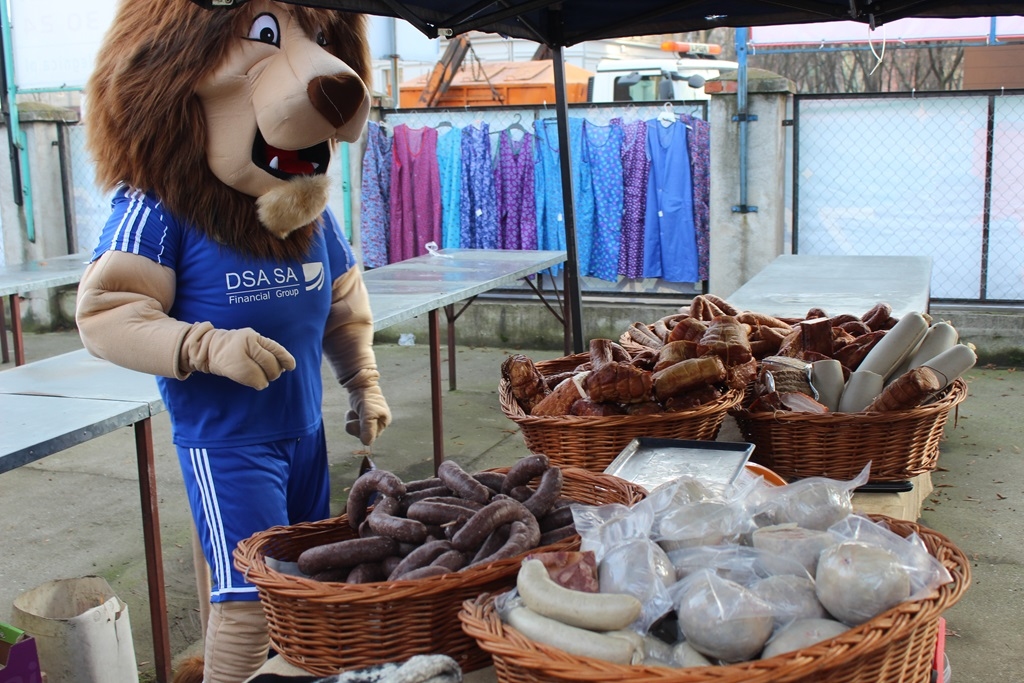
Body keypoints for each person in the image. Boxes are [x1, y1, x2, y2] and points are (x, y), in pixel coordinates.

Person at [74, 2, 388, 681]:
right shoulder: (160, 210)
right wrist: (203, 346)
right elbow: (104, 313)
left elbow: (342, 301)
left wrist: (362, 380)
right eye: (269, 35)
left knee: (305, 588)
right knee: (247, 602)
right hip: (229, 445)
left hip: (305, 435)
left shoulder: (305, 214)